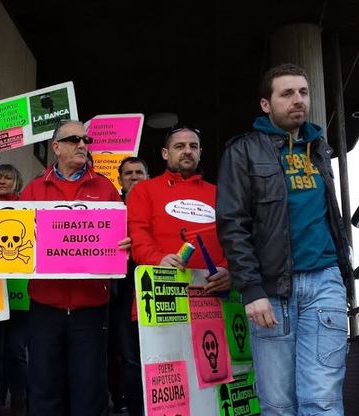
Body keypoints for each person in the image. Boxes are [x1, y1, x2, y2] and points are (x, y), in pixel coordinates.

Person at [216, 63, 352, 415]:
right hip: (272, 290)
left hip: (325, 282)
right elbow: (233, 224)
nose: (298, 100)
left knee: (322, 397)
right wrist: (251, 289)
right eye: (287, 93)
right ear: (266, 104)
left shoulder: (319, 148)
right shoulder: (242, 151)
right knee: (277, 404)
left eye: (303, 93)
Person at [19, 120, 131, 416]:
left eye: (85, 140)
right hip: (45, 305)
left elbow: (121, 234)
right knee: (44, 387)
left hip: (91, 308)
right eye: (74, 140)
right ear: (56, 148)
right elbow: (13, 237)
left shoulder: (106, 188)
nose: (82, 145)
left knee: (89, 389)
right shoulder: (32, 190)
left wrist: (125, 242)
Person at [127, 127, 231, 415]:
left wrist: (229, 270)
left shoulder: (220, 193)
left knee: (212, 384)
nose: (187, 151)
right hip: (160, 301)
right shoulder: (144, 191)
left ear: (200, 152)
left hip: (211, 302)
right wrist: (159, 258)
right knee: (165, 387)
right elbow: (138, 235)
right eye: (180, 146)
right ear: (165, 153)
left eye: (193, 146)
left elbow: (235, 240)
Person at [0, 163, 28, 416]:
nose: (3, 181)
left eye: (9, 177)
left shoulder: (26, 207)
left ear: (17, 181)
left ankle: (19, 399)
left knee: (16, 350)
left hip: (20, 292)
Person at [108, 156, 148, 414]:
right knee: (123, 350)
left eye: (139, 172)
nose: (134, 177)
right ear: (120, 179)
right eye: (128, 173)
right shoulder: (112, 207)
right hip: (121, 291)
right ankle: (124, 400)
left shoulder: (156, 203)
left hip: (151, 287)